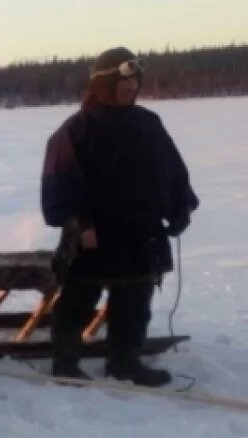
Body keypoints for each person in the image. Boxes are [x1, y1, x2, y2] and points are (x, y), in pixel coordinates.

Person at [41, 47, 199, 386]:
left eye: (134, 81)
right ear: (104, 84)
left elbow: (172, 169)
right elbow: (60, 186)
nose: (131, 87)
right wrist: (80, 223)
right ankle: (65, 363)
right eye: (123, 82)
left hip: (141, 232)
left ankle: (125, 363)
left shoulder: (148, 122)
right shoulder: (75, 130)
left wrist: (181, 205)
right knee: (78, 302)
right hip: (94, 234)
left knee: (135, 302)